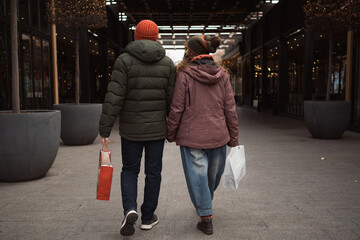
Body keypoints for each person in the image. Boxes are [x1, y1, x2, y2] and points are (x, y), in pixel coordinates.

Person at [98, 19, 175, 237]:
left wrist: (105, 130)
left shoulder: (124, 61)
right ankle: (148, 217)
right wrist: (174, 129)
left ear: (136, 37)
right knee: (153, 173)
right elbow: (171, 101)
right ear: (156, 37)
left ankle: (129, 209)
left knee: (130, 170)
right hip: (157, 131)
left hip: (131, 130)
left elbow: (114, 97)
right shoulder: (167, 64)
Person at [167, 35, 239, 235]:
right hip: (218, 135)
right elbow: (230, 109)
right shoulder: (222, 75)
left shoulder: (184, 75)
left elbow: (176, 108)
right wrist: (233, 137)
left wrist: (171, 132)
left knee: (199, 175)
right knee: (211, 176)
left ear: (190, 52)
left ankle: (205, 211)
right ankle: (205, 209)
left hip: (192, 137)